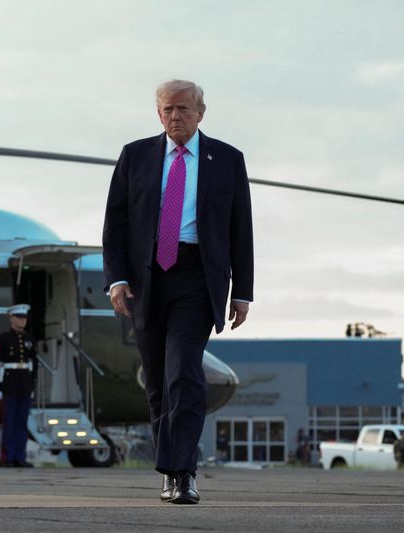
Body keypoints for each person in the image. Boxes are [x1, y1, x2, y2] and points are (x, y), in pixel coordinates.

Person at [102, 79, 253, 504]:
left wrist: (242, 291)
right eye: (168, 109)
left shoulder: (226, 159)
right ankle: (170, 469)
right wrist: (117, 278)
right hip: (147, 278)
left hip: (197, 275)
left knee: (184, 372)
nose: (175, 116)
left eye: (184, 109)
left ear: (201, 112)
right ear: (158, 114)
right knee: (157, 383)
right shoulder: (135, 157)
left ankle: (182, 473)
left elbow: (241, 230)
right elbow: (114, 222)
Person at [0, 303, 38, 468]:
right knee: (9, 423)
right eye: (19, 317)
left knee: (22, 423)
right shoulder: (2, 339)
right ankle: (7, 457)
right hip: (9, 385)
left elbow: (34, 364)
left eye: (24, 317)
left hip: (24, 385)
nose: (22, 320)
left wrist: (32, 386)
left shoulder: (29, 339)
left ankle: (20, 457)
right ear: (11, 318)